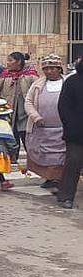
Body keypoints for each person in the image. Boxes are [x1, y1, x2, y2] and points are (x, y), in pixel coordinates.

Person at [23, 54, 66, 190]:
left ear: (59, 69)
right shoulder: (37, 85)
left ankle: (58, 178)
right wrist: (36, 117)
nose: (49, 71)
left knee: (60, 156)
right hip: (42, 128)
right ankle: (49, 177)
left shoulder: (67, 83)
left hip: (63, 128)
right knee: (44, 155)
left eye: (52, 68)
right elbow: (28, 102)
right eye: (46, 69)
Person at [0, 52, 38, 160]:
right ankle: (12, 158)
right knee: (11, 137)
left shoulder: (30, 76)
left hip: (25, 114)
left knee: (26, 137)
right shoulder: (5, 75)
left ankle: (33, 159)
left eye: (10, 60)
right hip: (10, 112)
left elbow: (38, 91)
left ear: (19, 61)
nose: (8, 63)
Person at [56, 56, 83, 209]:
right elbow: (63, 106)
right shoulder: (72, 81)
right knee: (73, 163)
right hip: (76, 133)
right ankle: (65, 196)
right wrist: (70, 126)